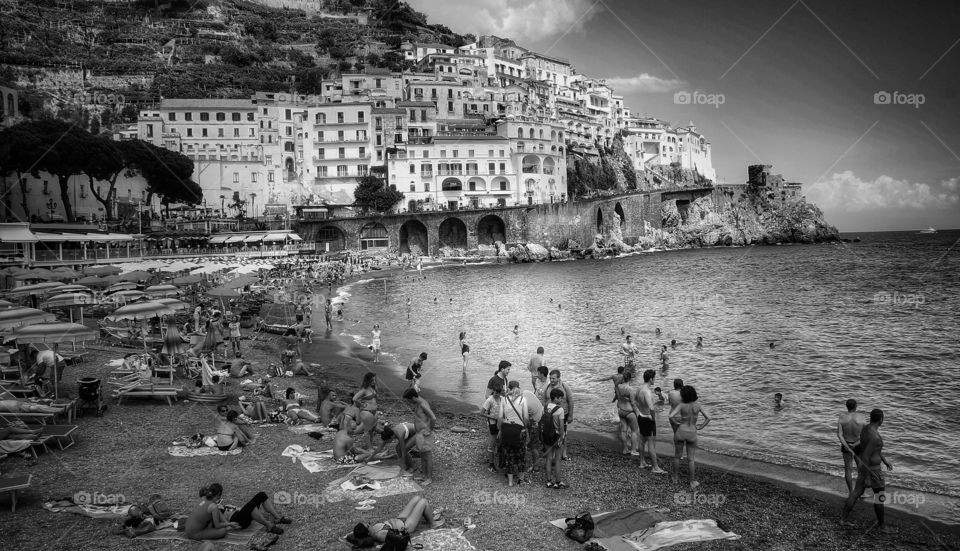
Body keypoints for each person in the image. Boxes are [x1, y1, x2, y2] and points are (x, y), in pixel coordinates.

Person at [841, 409, 894, 532]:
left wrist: (884, 460)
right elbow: (865, 456)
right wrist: (868, 478)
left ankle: (843, 519)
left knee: (855, 493)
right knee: (880, 496)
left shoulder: (865, 429)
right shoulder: (875, 437)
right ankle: (882, 526)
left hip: (863, 468)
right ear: (881, 419)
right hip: (873, 470)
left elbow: (870, 450)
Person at [185, 483, 288, 541]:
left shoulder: (207, 501)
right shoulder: (214, 507)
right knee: (251, 506)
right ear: (218, 495)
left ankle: (278, 518)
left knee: (262, 495)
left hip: (237, 515)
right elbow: (218, 524)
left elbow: (215, 514)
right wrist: (229, 524)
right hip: (237, 520)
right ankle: (269, 526)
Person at [669, 385, 711, 489]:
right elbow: (708, 418)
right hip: (692, 432)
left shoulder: (681, 405)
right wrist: (700, 426)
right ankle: (692, 482)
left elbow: (670, 416)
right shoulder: (698, 405)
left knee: (677, 456)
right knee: (691, 459)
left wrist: (677, 423)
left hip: (681, 431)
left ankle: (675, 477)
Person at [365, 495, 443, 544]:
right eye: (368, 525)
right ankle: (433, 524)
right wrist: (402, 533)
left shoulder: (371, 530)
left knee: (417, 498)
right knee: (423, 502)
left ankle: (428, 516)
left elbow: (353, 534)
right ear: (368, 533)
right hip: (406, 526)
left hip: (400, 519)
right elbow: (398, 539)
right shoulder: (379, 535)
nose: (369, 524)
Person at [498, 380, 528, 486]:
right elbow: (526, 418)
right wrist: (525, 428)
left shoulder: (503, 399)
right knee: (521, 455)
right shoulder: (523, 399)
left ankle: (510, 482)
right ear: (518, 388)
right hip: (519, 430)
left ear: (509, 389)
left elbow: (500, 417)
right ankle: (521, 480)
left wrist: (500, 430)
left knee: (509, 456)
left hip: (507, 429)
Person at [405, 388, 437, 485]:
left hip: (424, 433)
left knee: (427, 455)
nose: (408, 402)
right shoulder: (419, 403)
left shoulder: (423, 404)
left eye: (408, 400)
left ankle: (429, 478)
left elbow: (433, 418)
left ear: (413, 398)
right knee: (422, 455)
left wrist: (429, 429)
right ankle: (424, 476)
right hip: (420, 433)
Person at [637, 369, 666, 473]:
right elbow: (651, 408)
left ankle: (642, 462)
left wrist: (640, 412)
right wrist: (653, 418)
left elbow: (636, 401)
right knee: (651, 442)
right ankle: (655, 467)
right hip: (648, 418)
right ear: (650, 379)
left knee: (641, 440)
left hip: (640, 416)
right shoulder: (647, 392)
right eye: (654, 378)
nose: (655, 379)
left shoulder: (639, 388)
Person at [543, 369, 574, 461]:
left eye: (553, 378)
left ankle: (564, 454)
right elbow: (544, 401)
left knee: (563, 434)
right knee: (550, 433)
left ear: (559, 378)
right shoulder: (548, 387)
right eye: (550, 378)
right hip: (551, 415)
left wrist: (571, 415)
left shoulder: (565, 387)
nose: (551, 380)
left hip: (563, 414)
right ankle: (551, 453)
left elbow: (571, 401)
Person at [838, 399, 866, 495]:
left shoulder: (842, 417)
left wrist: (847, 446)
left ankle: (851, 493)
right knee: (861, 471)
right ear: (856, 406)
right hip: (858, 445)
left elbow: (839, 435)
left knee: (848, 470)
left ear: (846, 406)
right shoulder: (862, 417)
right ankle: (860, 492)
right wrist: (854, 445)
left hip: (846, 445)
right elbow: (865, 435)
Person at [544, 388, 567, 489]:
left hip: (547, 435)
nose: (561, 400)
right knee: (557, 459)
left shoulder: (545, 407)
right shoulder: (560, 409)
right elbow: (561, 426)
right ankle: (558, 481)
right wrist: (561, 438)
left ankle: (549, 481)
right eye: (560, 398)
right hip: (556, 435)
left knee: (548, 458)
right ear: (556, 398)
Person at [480, 381, 504, 472]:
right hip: (492, 424)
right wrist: (492, 416)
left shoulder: (502, 398)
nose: (497, 394)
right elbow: (481, 413)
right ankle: (491, 464)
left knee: (500, 442)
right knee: (492, 444)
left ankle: (500, 461)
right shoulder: (489, 400)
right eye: (496, 392)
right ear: (493, 391)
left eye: (499, 392)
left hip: (500, 424)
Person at [616, 370, 641, 456]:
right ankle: (633, 450)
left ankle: (625, 449)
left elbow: (618, 396)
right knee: (634, 431)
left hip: (621, 411)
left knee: (623, 430)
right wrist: (638, 413)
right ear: (630, 378)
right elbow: (633, 403)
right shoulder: (631, 389)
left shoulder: (618, 386)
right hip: (629, 412)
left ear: (623, 378)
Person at [353, 373, 379, 448]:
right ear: (368, 381)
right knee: (367, 431)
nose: (374, 381)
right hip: (367, 412)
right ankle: (370, 448)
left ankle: (370, 445)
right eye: (372, 380)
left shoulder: (373, 389)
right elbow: (354, 398)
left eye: (374, 380)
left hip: (374, 412)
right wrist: (361, 405)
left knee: (372, 430)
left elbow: (374, 399)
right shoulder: (364, 390)